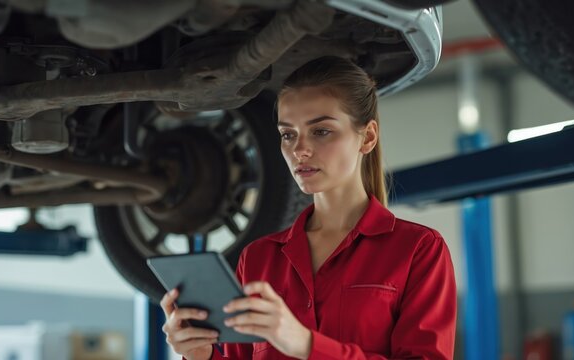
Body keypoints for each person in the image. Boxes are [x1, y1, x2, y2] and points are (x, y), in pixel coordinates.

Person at [160, 56, 457, 359]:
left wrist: (305, 344)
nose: (299, 150)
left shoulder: (418, 250)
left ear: (367, 137)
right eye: (288, 134)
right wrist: (201, 355)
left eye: (321, 131)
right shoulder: (257, 260)